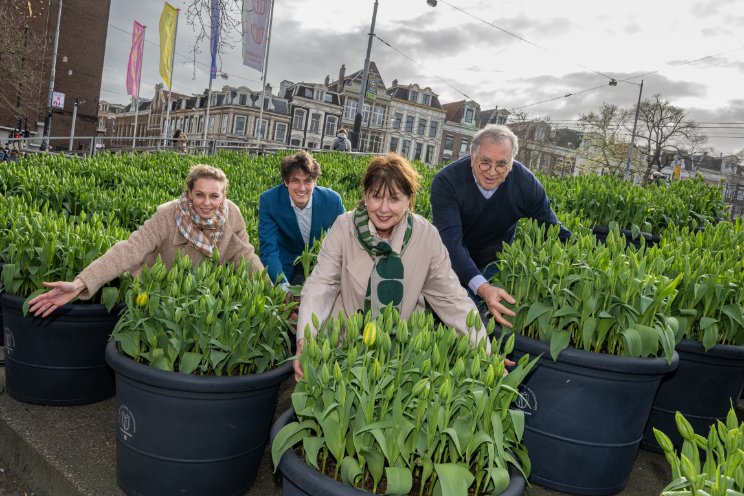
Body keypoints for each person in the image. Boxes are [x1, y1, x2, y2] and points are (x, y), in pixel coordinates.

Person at [293, 153, 491, 381]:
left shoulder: (426, 236)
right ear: (365, 195)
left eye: (394, 199)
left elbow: (451, 299)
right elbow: (322, 283)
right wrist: (304, 340)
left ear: (409, 200)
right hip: (343, 343)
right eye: (376, 197)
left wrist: (485, 353)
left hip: (399, 351)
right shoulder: (344, 227)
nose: (384, 209)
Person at [28, 164, 264, 317]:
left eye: (214, 196)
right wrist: (81, 284)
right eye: (200, 194)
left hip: (205, 299)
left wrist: (275, 298)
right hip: (157, 294)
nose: (206, 202)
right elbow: (130, 249)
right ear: (189, 193)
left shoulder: (231, 214)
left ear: (223, 197)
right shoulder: (168, 216)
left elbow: (246, 257)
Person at [430, 124, 571, 329]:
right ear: (472, 156)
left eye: (502, 164)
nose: (492, 172)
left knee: (487, 327)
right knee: (452, 324)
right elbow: (451, 244)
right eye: (485, 163)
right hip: (450, 262)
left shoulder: (525, 183)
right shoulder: (447, 181)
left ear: (512, 163)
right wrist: (484, 289)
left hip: (494, 262)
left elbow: (553, 228)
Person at [258, 150, 345, 289]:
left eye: (307, 181)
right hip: (284, 261)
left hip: (319, 261)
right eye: (295, 181)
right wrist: (282, 287)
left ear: (315, 182)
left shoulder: (332, 201)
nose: (302, 188)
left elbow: (345, 241)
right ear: (286, 182)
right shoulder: (269, 201)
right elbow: (269, 249)